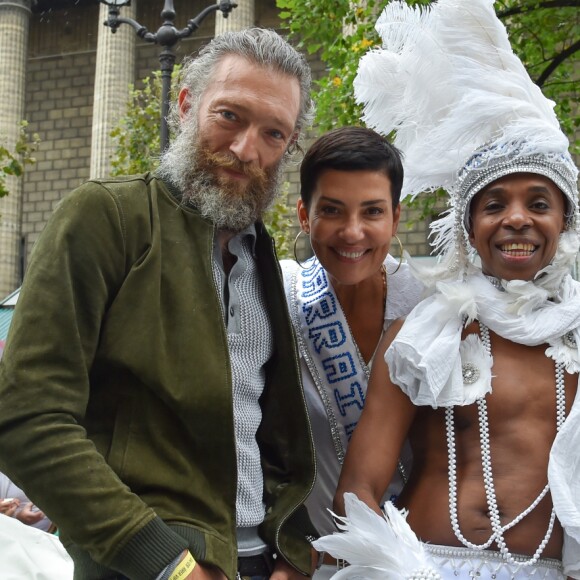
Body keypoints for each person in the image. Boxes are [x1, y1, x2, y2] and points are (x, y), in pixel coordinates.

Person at [0, 28, 317, 580]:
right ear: (186, 104)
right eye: (230, 117)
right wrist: (168, 564)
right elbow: (27, 416)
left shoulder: (260, 252)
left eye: (273, 133)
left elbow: (260, 428)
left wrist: (289, 551)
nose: (247, 150)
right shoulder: (106, 217)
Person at [314, 1, 580, 578]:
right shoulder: (425, 334)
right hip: (428, 565)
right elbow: (360, 483)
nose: (515, 219)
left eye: (538, 203)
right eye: (493, 205)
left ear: (565, 223)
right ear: (468, 227)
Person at [280, 126, 423, 578]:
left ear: (396, 218)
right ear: (304, 215)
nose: (353, 232)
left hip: (415, 561)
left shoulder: (432, 309)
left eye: (373, 211)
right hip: (306, 563)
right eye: (332, 210)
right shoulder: (278, 296)